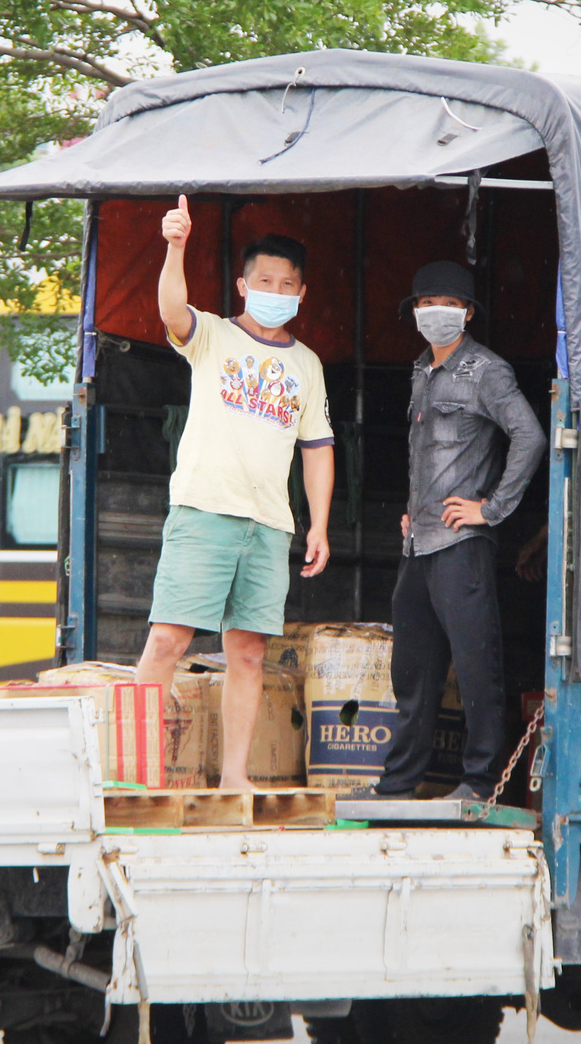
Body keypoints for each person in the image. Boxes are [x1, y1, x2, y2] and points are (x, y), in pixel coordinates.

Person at [133, 198, 336, 790]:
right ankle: (136, 774)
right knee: (168, 640)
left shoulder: (307, 364)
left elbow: (318, 447)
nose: (275, 289)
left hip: (269, 526)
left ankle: (234, 780)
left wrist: (316, 523)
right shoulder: (213, 336)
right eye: (264, 280)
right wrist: (176, 246)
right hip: (203, 512)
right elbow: (172, 309)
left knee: (248, 654)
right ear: (244, 285)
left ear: (302, 293)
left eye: (287, 283)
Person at [361, 260, 544, 801]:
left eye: (445, 303)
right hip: (418, 543)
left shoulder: (486, 371)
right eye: (423, 303)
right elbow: (429, 457)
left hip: (461, 545)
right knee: (413, 672)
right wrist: (412, 510)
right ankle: (398, 783)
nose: (432, 312)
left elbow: (530, 437)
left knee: (475, 665)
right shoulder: (421, 369)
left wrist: (490, 509)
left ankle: (481, 782)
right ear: (413, 312)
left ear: (466, 313)